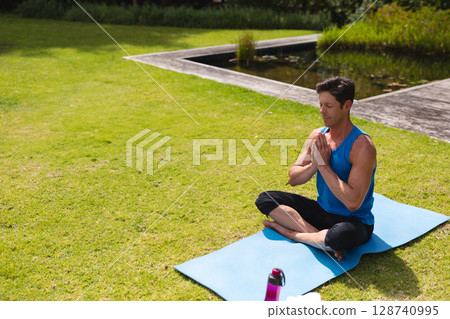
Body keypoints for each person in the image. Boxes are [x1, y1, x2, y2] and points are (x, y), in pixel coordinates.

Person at [255, 76, 377, 261]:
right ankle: (317, 236)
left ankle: (293, 235)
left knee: (340, 236)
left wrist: (323, 165)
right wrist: (314, 164)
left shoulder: (362, 146)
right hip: (321, 212)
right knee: (265, 199)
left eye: (328, 106)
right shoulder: (318, 136)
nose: (322, 111)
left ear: (346, 106)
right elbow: (293, 179)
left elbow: (352, 203)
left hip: (353, 221)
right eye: (320, 105)